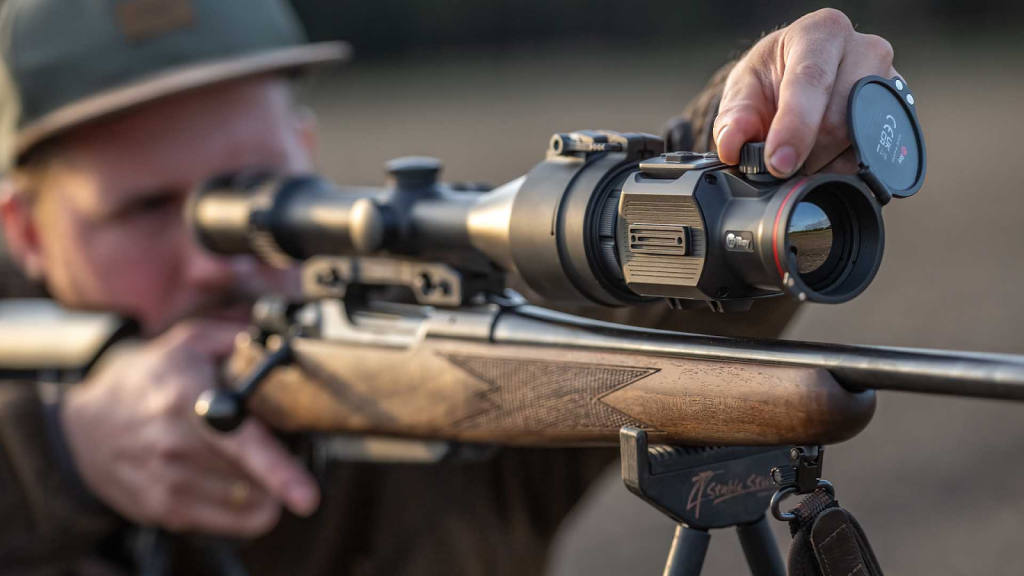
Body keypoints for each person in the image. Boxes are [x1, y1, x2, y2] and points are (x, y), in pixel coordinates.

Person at [0, 1, 901, 574]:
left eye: (253, 185)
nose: (215, 254)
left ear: (306, 157)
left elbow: (660, 305)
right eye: (147, 209)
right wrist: (59, 459)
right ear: (26, 231)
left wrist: (756, 145)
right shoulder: (32, 416)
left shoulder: (432, 355)